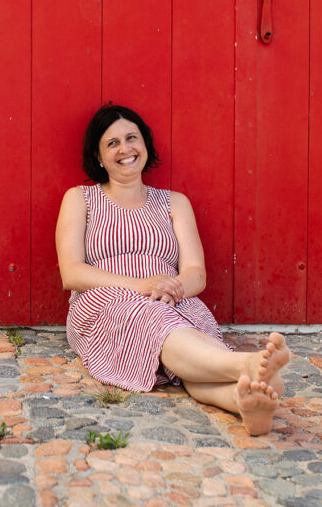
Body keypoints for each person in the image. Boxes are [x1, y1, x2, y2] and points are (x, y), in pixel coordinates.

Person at [55, 103, 291, 435]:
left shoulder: (174, 203)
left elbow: (196, 272)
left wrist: (171, 289)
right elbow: (72, 273)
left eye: (132, 138)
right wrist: (142, 286)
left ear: (146, 144)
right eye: (112, 143)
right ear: (98, 156)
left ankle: (245, 402)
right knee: (153, 319)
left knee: (189, 353)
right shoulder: (81, 199)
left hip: (171, 297)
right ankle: (245, 364)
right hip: (105, 300)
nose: (125, 149)